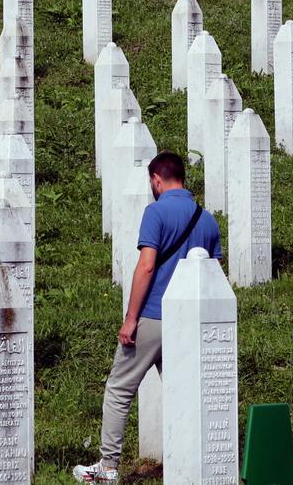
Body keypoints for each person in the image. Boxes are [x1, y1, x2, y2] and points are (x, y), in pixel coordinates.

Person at [73, 152, 223, 483]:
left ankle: (108, 466)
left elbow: (147, 265)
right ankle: (193, 460)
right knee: (183, 391)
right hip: (190, 321)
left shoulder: (155, 212)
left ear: (157, 179)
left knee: (119, 389)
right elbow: (215, 274)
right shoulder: (208, 219)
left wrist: (130, 318)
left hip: (153, 315)